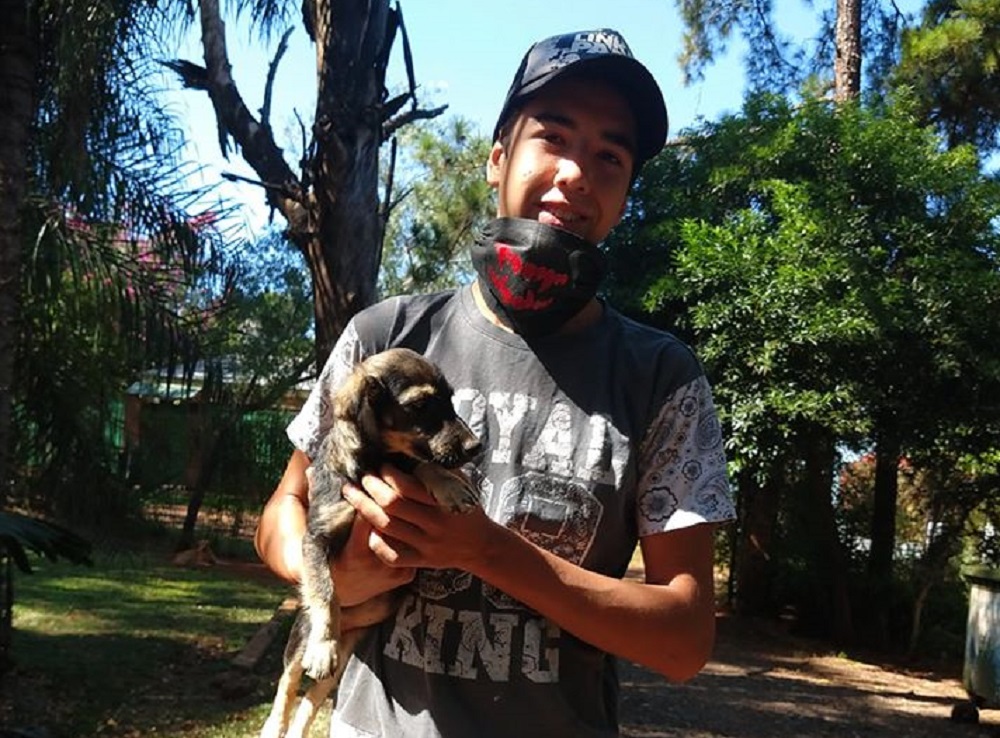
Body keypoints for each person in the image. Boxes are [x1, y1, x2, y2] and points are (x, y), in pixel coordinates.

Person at [255, 27, 736, 738]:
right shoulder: (385, 339)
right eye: (553, 137)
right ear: (497, 157)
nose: (576, 173)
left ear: (626, 191)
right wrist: (331, 576)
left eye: (610, 155)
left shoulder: (662, 379)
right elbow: (283, 512)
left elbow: (685, 641)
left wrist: (485, 551)